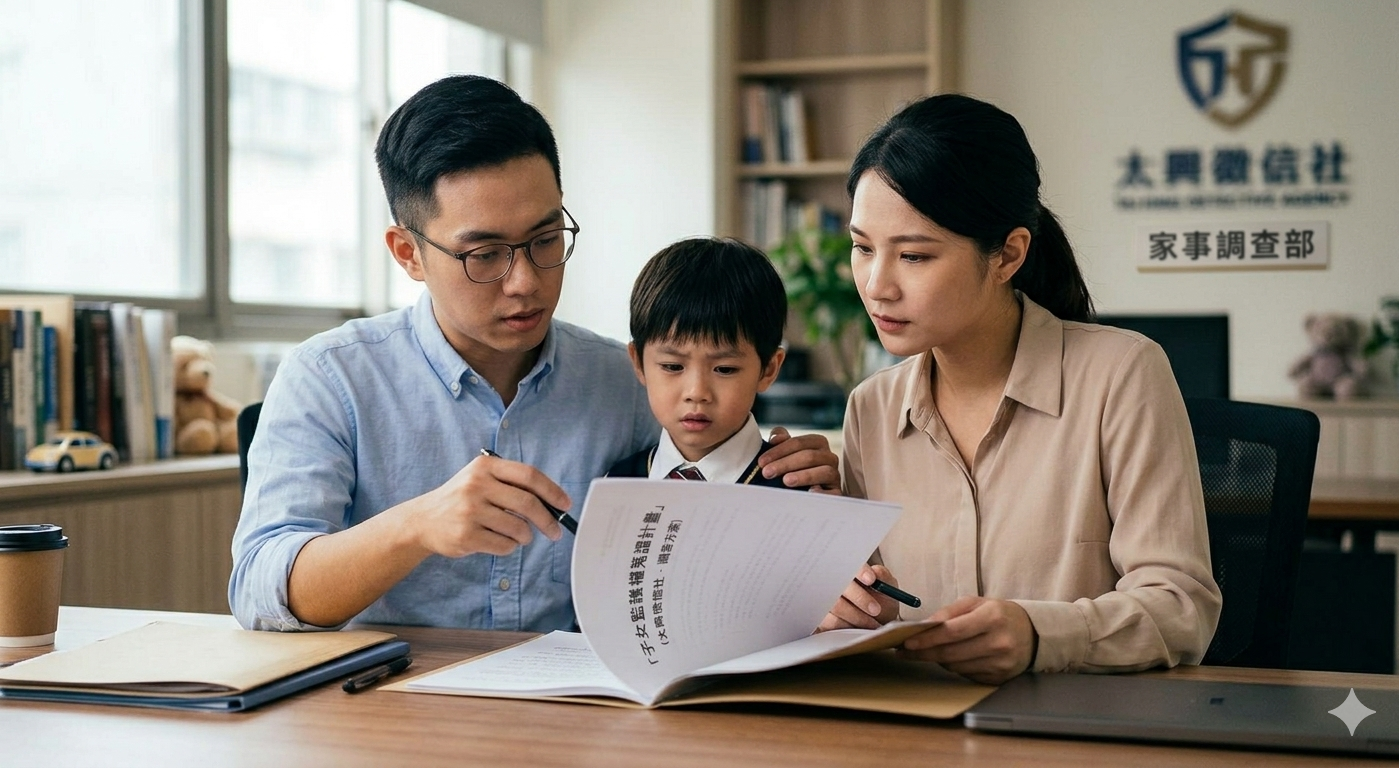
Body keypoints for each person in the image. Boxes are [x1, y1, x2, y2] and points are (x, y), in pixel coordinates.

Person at [229, 75, 840, 633]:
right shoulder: (331, 376)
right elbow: (258, 589)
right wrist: (416, 526)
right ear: (407, 253)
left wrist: (789, 479)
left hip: (582, 716)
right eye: (485, 254)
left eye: (546, 239)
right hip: (391, 712)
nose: (525, 281)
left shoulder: (628, 383)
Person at [821, 93, 1222, 684]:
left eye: (913, 255)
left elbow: (1182, 607)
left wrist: (1040, 635)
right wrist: (838, 602)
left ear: (1008, 254)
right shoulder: (871, 408)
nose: (877, 285)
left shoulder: (1122, 374)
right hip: (911, 735)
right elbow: (872, 611)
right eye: (861, 248)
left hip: (1072, 734)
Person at [607, 238, 795, 488]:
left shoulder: (797, 490)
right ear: (639, 363)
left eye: (724, 369)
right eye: (673, 366)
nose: (697, 393)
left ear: (769, 369)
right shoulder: (617, 484)